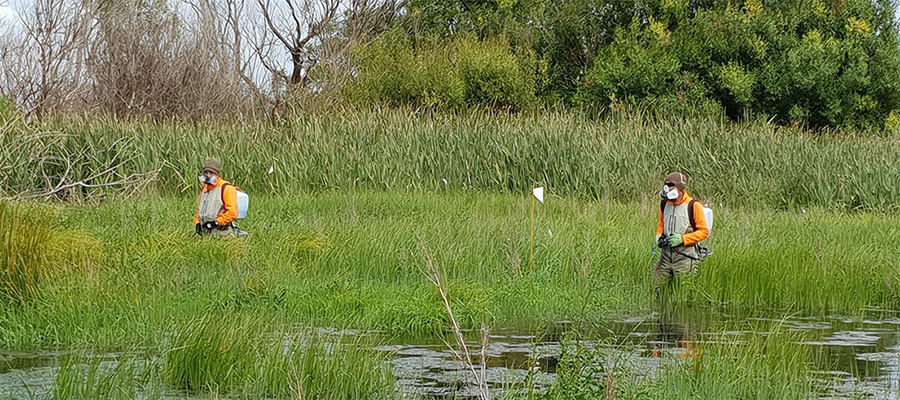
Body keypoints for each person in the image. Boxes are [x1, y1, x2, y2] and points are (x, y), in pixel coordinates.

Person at [653, 172, 709, 296]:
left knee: (684, 293)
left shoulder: (693, 205)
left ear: (680, 188)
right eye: (666, 185)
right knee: (657, 290)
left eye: (671, 185)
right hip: (665, 255)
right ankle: (660, 314)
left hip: (685, 256)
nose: (667, 188)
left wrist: (682, 239)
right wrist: (658, 236)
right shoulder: (664, 204)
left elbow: (704, 232)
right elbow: (661, 224)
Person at [193, 157, 241, 237]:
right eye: (206, 172)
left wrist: (216, 222)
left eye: (211, 172)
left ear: (216, 174)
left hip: (223, 233)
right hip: (206, 234)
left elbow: (232, 212)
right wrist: (197, 223)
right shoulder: (204, 189)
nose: (208, 175)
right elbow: (198, 211)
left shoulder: (226, 188)